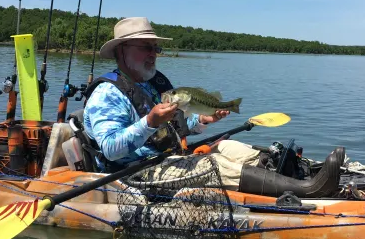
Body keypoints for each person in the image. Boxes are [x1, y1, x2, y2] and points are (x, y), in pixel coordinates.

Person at [83, 17, 261, 189]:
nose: (154, 54)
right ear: (121, 50)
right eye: (146, 47)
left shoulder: (152, 84)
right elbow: (110, 149)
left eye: (155, 48)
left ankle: (278, 177)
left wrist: (202, 119)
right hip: (136, 172)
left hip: (171, 158)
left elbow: (176, 127)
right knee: (219, 167)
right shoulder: (107, 93)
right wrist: (150, 123)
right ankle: (283, 200)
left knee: (236, 150)